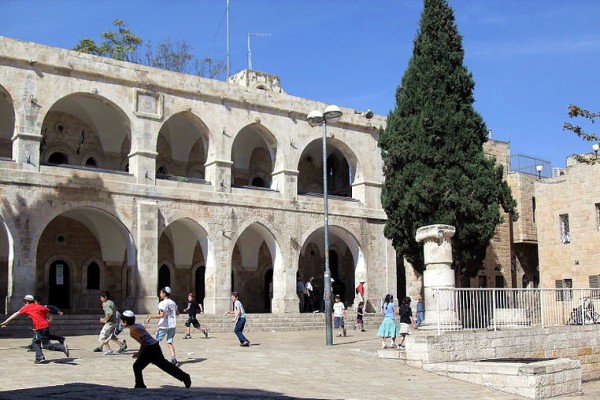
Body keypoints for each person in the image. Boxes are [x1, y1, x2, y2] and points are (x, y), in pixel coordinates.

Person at [119, 310, 191, 389]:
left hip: (149, 348)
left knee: (137, 366)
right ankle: (185, 377)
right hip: (155, 346)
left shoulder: (133, 330)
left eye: (123, 321)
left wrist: (139, 353)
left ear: (125, 321)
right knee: (165, 365)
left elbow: (143, 341)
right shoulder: (138, 325)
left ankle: (140, 385)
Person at [0, 294, 69, 364]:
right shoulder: (40, 307)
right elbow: (50, 315)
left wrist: (6, 322)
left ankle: (61, 348)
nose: (24, 304)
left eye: (24, 302)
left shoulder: (27, 307)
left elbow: (16, 314)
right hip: (45, 326)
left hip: (40, 327)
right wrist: (48, 322)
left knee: (45, 345)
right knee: (36, 341)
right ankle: (40, 357)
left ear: (26, 301)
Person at [146, 286, 180, 365]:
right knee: (169, 342)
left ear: (164, 294)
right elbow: (177, 313)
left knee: (155, 342)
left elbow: (161, 315)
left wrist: (150, 316)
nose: (160, 294)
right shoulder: (173, 303)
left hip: (164, 325)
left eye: (161, 293)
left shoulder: (162, 303)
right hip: (172, 325)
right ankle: (174, 358)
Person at [95, 290, 127, 355]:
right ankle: (122, 343)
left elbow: (110, 314)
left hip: (109, 323)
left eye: (101, 297)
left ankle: (108, 349)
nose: (100, 299)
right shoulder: (111, 302)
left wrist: (103, 319)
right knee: (111, 336)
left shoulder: (107, 304)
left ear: (105, 297)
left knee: (102, 336)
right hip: (114, 323)